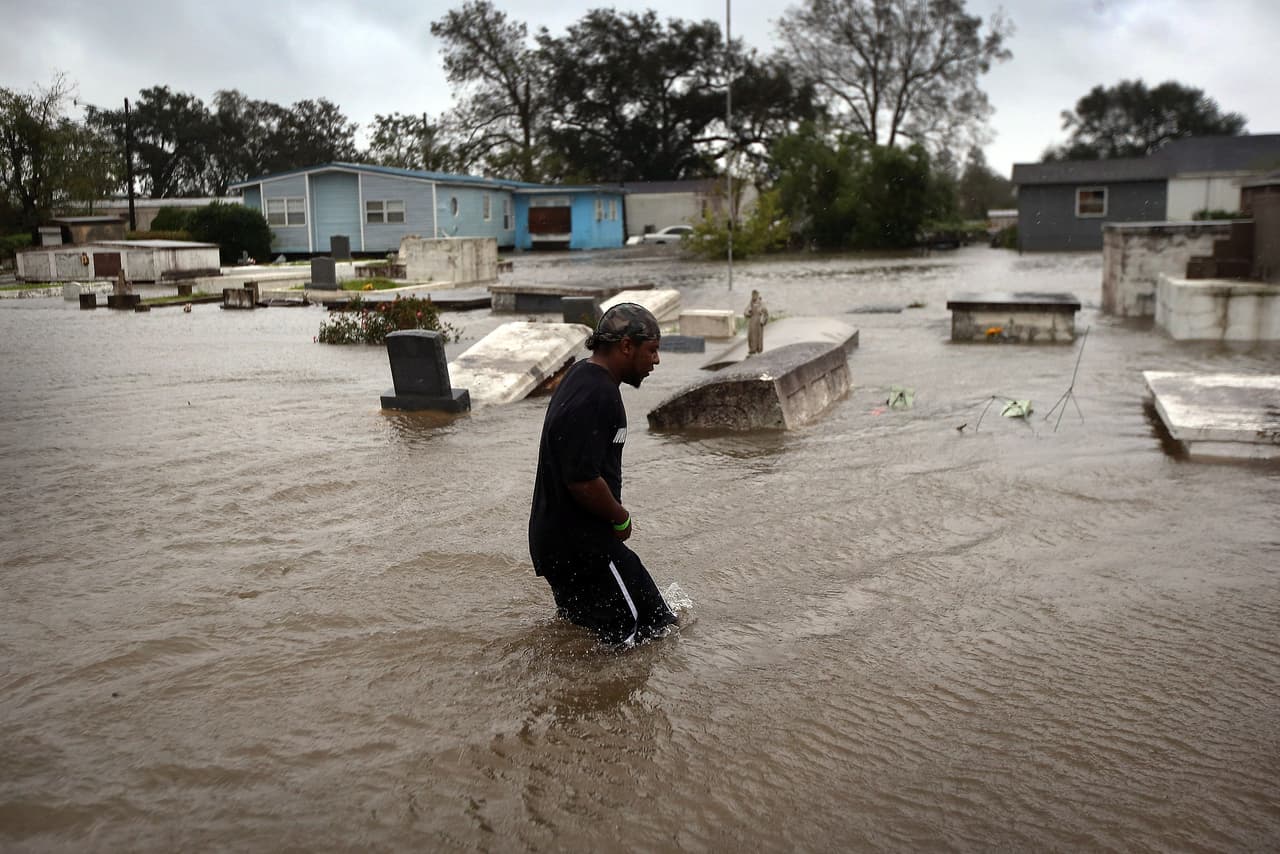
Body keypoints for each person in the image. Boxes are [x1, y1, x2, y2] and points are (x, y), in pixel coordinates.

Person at [528, 303, 677, 645]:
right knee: (636, 634)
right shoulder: (597, 395)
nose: (656, 361)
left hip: (566, 543)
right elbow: (581, 479)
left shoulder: (583, 376)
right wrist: (621, 517)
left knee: (647, 625)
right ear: (627, 346)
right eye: (652, 350)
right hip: (582, 547)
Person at [745, 289, 769, 355]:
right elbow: (746, 311)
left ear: (757, 295)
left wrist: (763, 320)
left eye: (755, 295)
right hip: (752, 322)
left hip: (758, 323)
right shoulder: (751, 303)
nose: (754, 296)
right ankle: (752, 350)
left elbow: (766, 313)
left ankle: (759, 350)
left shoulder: (761, 304)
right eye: (753, 295)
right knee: (751, 336)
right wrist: (748, 313)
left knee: (758, 336)